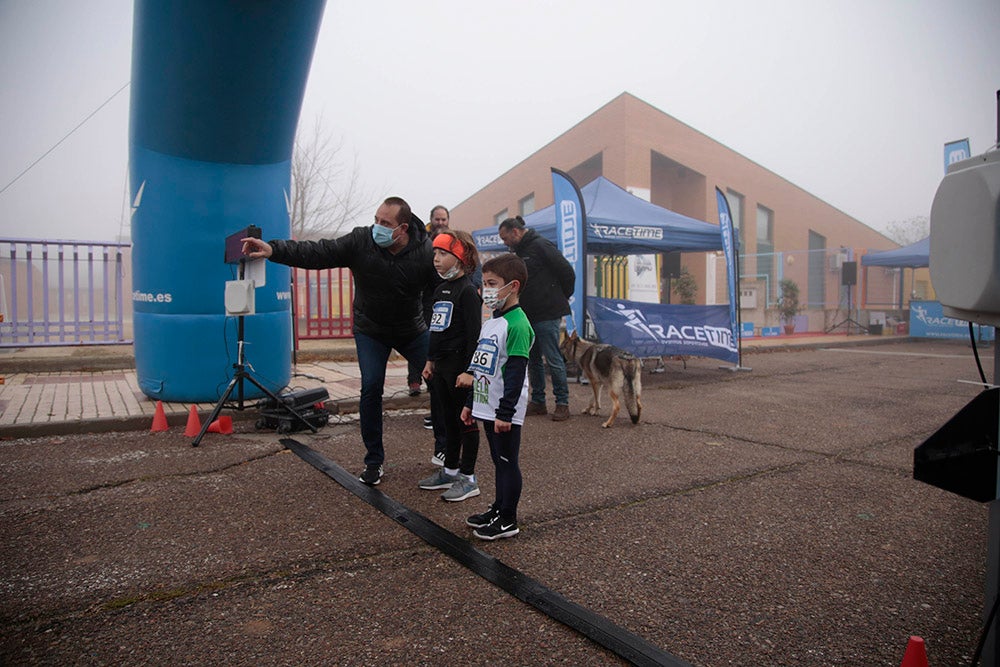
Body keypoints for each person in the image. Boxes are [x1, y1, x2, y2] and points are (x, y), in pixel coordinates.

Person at [242, 196, 438, 486]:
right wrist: (274, 250)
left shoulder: (426, 251)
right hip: (371, 329)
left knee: (441, 383)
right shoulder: (361, 241)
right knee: (371, 387)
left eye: (386, 224)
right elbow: (318, 252)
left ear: (403, 228)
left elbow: (440, 291)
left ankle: (446, 452)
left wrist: (439, 335)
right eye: (376, 220)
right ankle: (374, 461)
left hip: (412, 329)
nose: (377, 228)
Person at [462, 253, 534, 540]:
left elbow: (515, 373)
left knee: (506, 461)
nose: (485, 290)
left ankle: (508, 519)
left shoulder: (517, 325)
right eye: (484, 283)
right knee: (497, 460)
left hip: (504, 410)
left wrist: (505, 413)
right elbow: (480, 365)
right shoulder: (492, 320)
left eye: (492, 283)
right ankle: (498, 507)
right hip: (486, 404)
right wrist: (471, 403)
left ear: (513, 286)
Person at [417, 230, 483, 501]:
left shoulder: (468, 291)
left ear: (460, 258)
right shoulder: (440, 289)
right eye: (435, 253)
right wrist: (430, 360)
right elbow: (436, 329)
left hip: (460, 370)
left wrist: (470, 371)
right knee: (446, 421)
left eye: (443, 253)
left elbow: (473, 336)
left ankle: (468, 478)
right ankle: (450, 470)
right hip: (441, 367)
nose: (436, 259)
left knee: (465, 421)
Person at [497, 215, 574, 422]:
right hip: (528, 315)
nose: (504, 242)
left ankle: (562, 403)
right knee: (533, 360)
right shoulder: (519, 253)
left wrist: (559, 297)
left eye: (505, 238)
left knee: (553, 359)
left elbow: (567, 271)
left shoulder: (541, 245)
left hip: (548, 313)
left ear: (515, 232)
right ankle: (538, 401)